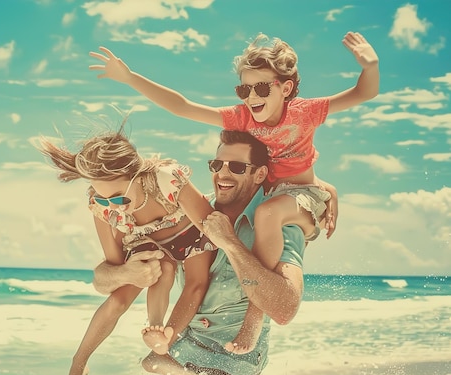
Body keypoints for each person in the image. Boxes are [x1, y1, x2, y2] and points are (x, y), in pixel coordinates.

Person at [89, 31, 378, 354]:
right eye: (244, 88)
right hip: (271, 191)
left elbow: (364, 93)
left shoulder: (305, 112)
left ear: (285, 88)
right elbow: (183, 107)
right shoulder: (241, 119)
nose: (251, 96)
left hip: (299, 193)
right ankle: (178, 340)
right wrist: (130, 78)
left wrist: (370, 65)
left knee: (267, 215)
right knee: (254, 217)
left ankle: (253, 322)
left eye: (261, 87)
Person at [93, 129, 326, 375]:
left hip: (232, 361)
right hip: (183, 351)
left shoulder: (280, 223)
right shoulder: (190, 208)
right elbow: (103, 279)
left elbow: (284, 308)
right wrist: (125, 273)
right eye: (217, 165)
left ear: (259, 174)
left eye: (237, 167)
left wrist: (229, 242)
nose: (223, 173)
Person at [38, 123, 217, 375]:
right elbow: (112, 267)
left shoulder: (165, 179)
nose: (114, 206)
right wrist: (128, 272)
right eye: (102, 197)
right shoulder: (103, 206)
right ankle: (79, 361)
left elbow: (211, 223)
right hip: (145, 241)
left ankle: (161, 347)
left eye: (119, 197)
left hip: (188, 233)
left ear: (136, 175)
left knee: (197, 282)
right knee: (136, 286)